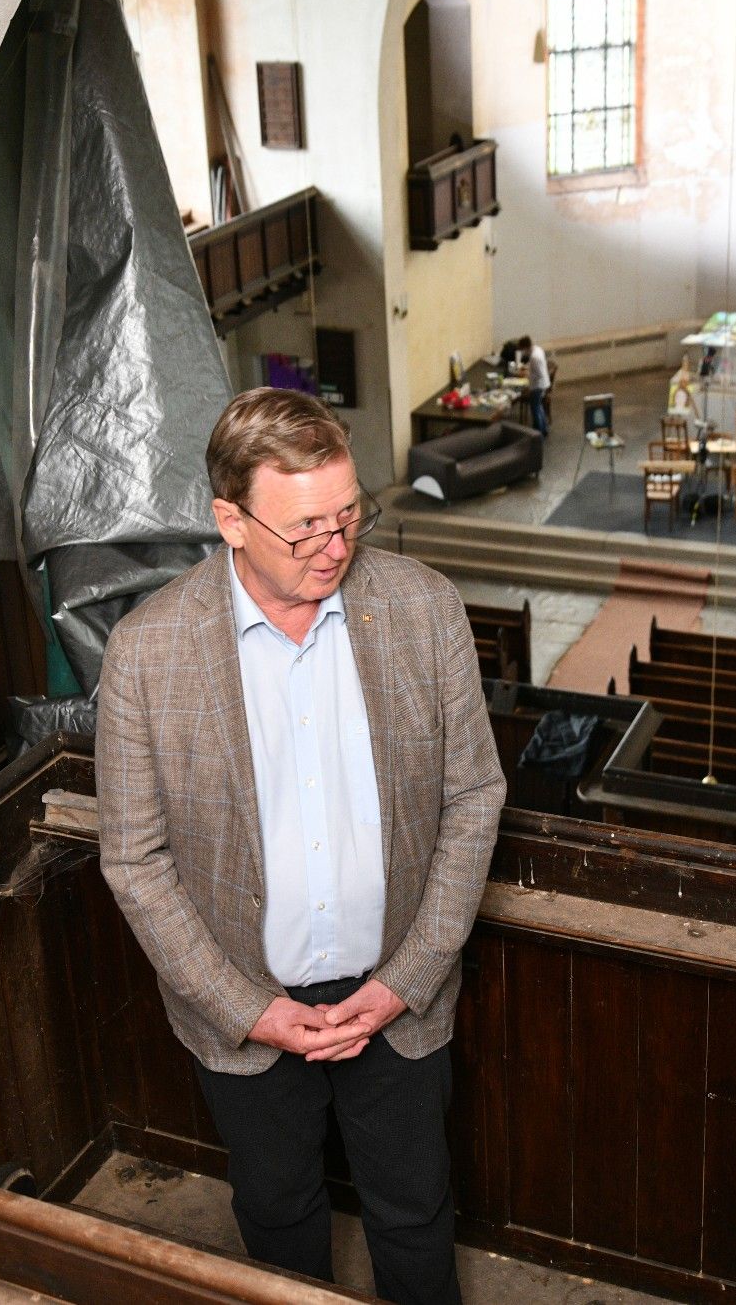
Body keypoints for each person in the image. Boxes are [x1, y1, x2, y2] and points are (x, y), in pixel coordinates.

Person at [96, 387, 505, 1304]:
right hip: (246, 1010)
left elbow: (475, 795)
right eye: (306, 526)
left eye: (350, 514)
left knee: (414, 1211)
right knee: (278, 1217)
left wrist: (408, 977)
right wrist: (248, 1008)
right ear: (229, 520)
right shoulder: (147, 652)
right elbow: (134, 859)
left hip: (398, 992)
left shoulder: (424, 608)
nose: (336, 544)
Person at [520, 334, 551, 436]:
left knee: (535, 409)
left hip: (537, 386)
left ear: (525, 347)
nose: (522, 352)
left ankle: (538, 432)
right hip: (542, 384)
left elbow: (538, 374)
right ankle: (544, 429)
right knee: (539, 407)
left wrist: (529, 384)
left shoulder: (534, 357)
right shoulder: (538, 349)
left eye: (522, 349)